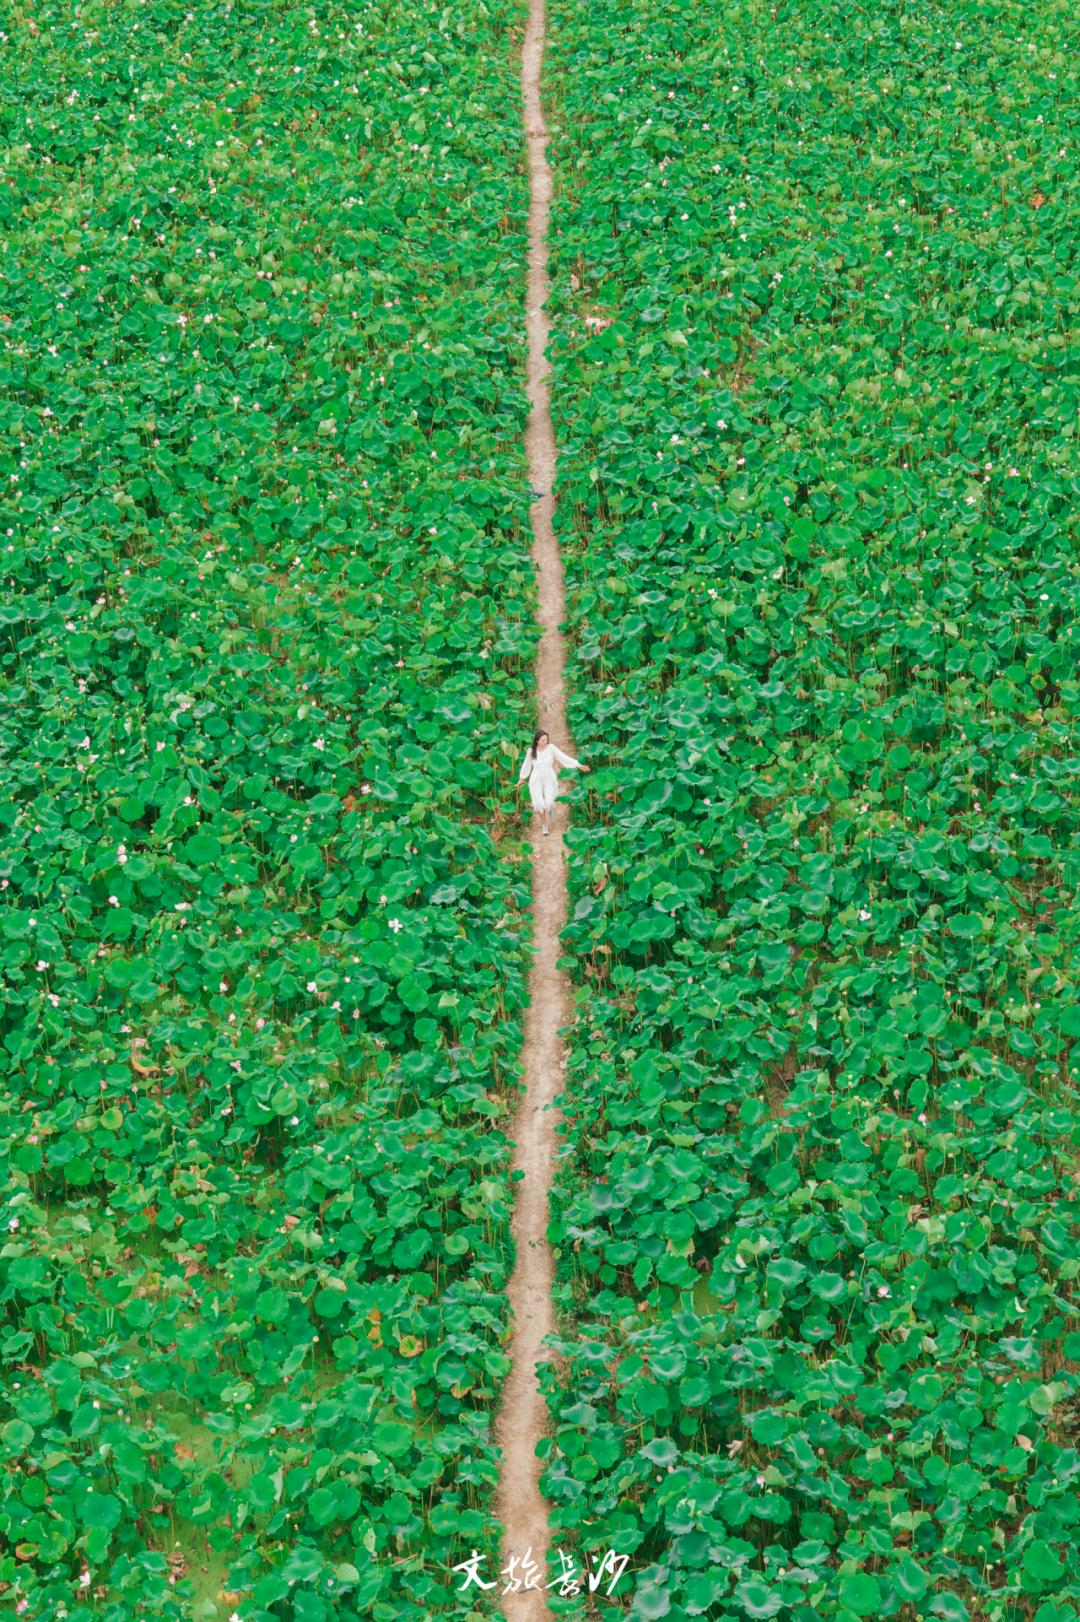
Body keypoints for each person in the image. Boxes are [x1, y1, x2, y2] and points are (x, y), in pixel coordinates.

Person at [517, 728, 588, 836]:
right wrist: (521, 779)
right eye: (543, 740)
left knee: (548, 803)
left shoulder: (551, 748)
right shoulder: (531, 751)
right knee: (539, 804)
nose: (545, 742)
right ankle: (544, 825)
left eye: (546, 740)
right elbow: (526, 765)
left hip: (549, 777)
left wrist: (578, 765)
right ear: (537, 741)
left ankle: (551, 808)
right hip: (536, 779)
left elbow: (563, 757)